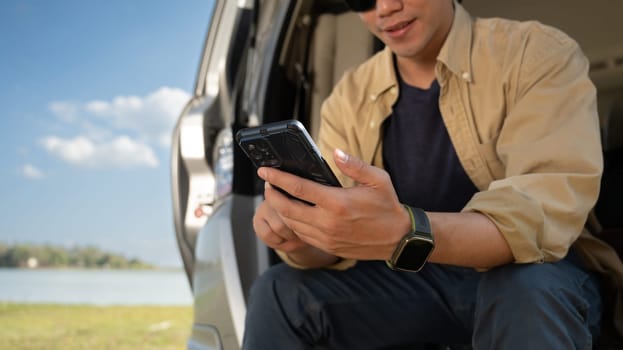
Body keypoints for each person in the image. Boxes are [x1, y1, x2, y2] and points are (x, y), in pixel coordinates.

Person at [242, 0, 610, 348]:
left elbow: (536, 215)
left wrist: (405, 230)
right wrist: (302, 236)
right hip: (415, 285)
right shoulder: (349, 97)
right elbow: (336, 243)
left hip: (538, 274)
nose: (385, 8)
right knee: (278, 292)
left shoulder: (536, 53)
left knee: (523, 288)